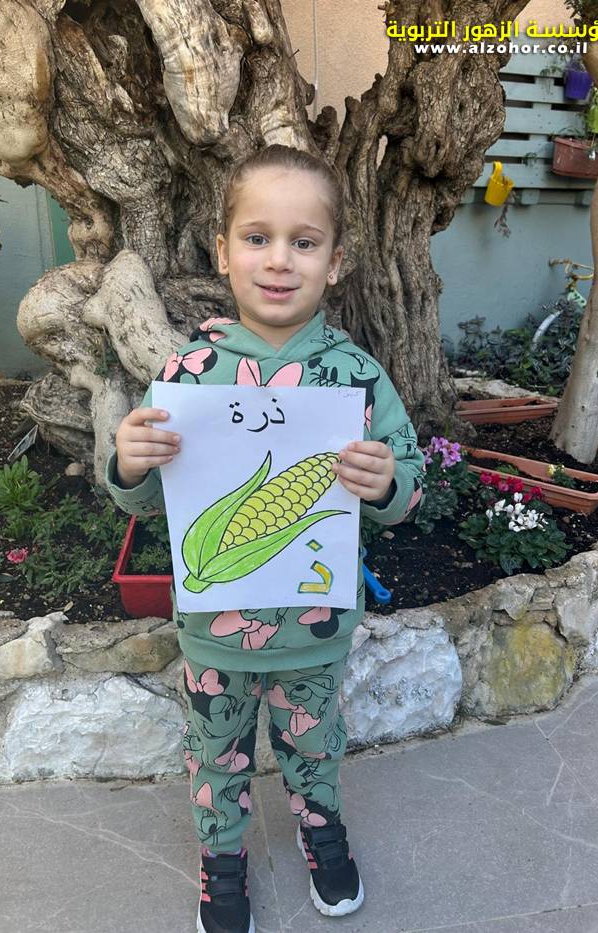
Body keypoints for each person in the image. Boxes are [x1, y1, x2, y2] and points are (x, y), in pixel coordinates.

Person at [105, 145, 425, 933]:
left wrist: (386, 480)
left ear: (335, 261)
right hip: (215, 632)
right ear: (223, 251)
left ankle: (321, 830)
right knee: (215, 753)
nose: (279, 259)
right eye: (258, 237)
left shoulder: (355, 375)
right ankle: (222, 858)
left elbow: (409, 488)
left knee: (315, 746)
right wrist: (129, 461)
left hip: (313, 629)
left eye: (303, 241)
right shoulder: (189, 373)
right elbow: (149, 502)